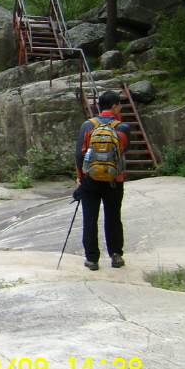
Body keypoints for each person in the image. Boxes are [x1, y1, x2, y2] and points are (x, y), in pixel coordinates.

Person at [75, 90, 131, 271]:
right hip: (114, 180)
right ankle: (116, 255)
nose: (120, 108)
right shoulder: (123, 128)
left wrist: (80, 177)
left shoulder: (87, 126)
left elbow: (79, 155)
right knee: (113, 217)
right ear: (114, 106)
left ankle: (92, 259)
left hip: (90, 179)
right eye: (120, 105)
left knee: (90, 218)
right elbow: (123, 152)